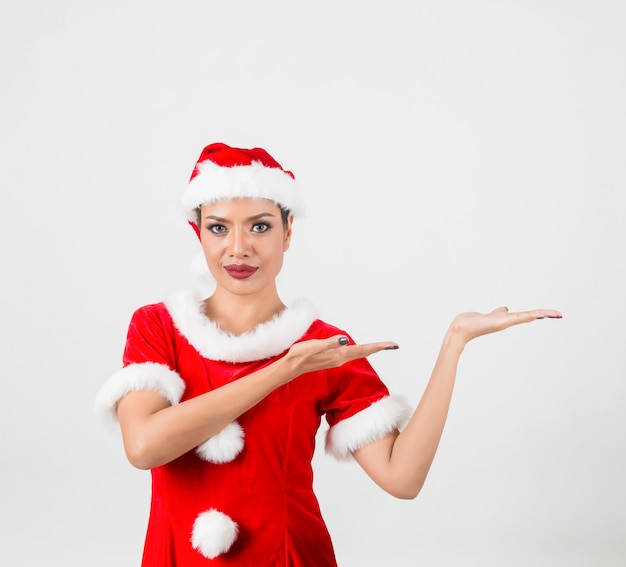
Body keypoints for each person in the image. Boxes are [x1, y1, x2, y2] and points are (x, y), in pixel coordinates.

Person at [95, 142, 562, 566]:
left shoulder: (324, 347)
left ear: (288, 231)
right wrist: (283, 370)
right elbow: (144, 447)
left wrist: (454, 343)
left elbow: (402, 479)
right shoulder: (158, 327)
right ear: (198, 233)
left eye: (260, 226)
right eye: (219, 228)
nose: (239, 248)